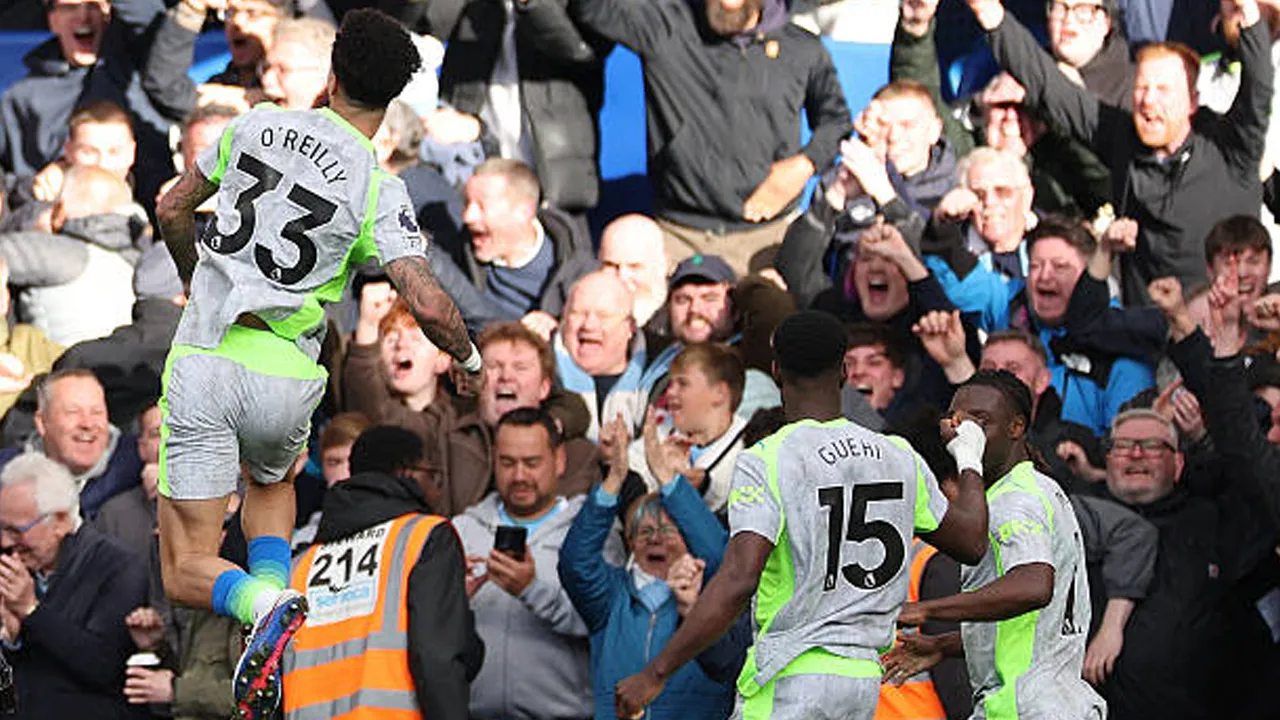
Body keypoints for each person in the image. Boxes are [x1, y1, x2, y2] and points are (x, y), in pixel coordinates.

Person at [153, 9, 482, 718]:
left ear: (332, 76)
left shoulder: (252, 124)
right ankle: (272, 624)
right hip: (290, 380)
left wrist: (195, 277)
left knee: (185, 570)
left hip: (211, 357)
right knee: (271, 488)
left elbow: (174, 207)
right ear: (390, 100)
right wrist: (468, 358)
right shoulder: (377, 184)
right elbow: (426, 302)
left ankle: (259, 602)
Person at [614, 310, 990, 719]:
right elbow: (971, 542)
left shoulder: (768, 459)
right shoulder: (898, 455)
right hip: (863, 681)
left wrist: (656, 672)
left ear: (776, 372)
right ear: (844, 371)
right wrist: (969, 457)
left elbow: (739, 579)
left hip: (790, 677)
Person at [966, 0, 1273, 304]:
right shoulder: (1124, 139)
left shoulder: (1231, 147)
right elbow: (1049, 85)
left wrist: (1248, 14)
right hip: (1149, 337)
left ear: (1192, 101)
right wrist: (990, 14)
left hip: (1227, 331)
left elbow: (1258, 87)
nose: (1149, 101)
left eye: (1163, 90)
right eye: (1141, 88)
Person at [567, 0, 852, 276]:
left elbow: (836, 121)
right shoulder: (666, 27)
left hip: (769, 240)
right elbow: (592, 9)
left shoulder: (802, 48)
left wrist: (804, 165)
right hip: (678, 238)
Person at [881, 371, 1105, 720]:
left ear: (1016, 427)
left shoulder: (1014, 501)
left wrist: (927, 610)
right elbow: (1032, 629)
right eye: (958, 422)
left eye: (981, 422)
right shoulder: (1039, 487)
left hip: (1026, 709)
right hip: (1054, 702)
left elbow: (1033, 586)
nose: (966, 434)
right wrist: (944, 644)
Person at [281, 424, 483, 719]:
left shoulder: (301, 565)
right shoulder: (425, 537)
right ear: (406, 473)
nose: (438, 489)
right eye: (433, 475)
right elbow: (437, 657)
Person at [561, 413, 741, 719]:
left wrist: (670, 483)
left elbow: (724, 561)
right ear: (630, 542)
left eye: (669, 530)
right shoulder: (611, 598)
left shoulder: (711, 598)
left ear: (689, 538)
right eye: (644, 531)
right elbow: (576, 563)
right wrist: (614, 480)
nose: (656, 539)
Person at [453, 407, 592, 719]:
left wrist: (531, 590)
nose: (519, 476)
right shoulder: (461, 530)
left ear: (559, 460)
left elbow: (603, 621)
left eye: (532, 463)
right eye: (507, 463)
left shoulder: (587, 533)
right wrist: (452, 600)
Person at [0, 452, 149, 720]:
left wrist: (31, 611)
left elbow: (102, 666)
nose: (5, 542)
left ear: (59, 521)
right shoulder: (11, 566)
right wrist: (10, 639)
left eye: (16, 530)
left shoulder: (118, 566)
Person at [455, 159, 595, 327]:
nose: (467, 217)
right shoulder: (460, 257)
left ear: (524, 212)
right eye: (467, 203)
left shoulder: (578, 268)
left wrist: (559, 328)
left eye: (481, 206)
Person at [0, 369, 143, 521]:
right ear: (42, 423)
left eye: (97, 412)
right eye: (72, 412)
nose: (87, 423)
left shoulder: (139, 461)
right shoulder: (7, 474)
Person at [629, 343, 749, 516]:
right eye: (670, 383)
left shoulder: (752, 448)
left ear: (720, 393)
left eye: (682, 384)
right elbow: (629, 470)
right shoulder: (660, 433)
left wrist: (701, 486)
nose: (670, 392)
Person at [556, 271, 648, 440]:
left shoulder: (658, 377)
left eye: (603, 316)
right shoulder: (536, 370)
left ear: (630, 327)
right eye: (578, 313)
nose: (589, 325)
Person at [598, 214, 670, 329]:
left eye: (634, 267)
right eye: (611, 265)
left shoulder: (682, 324)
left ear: (663, 265)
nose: (622, 277)